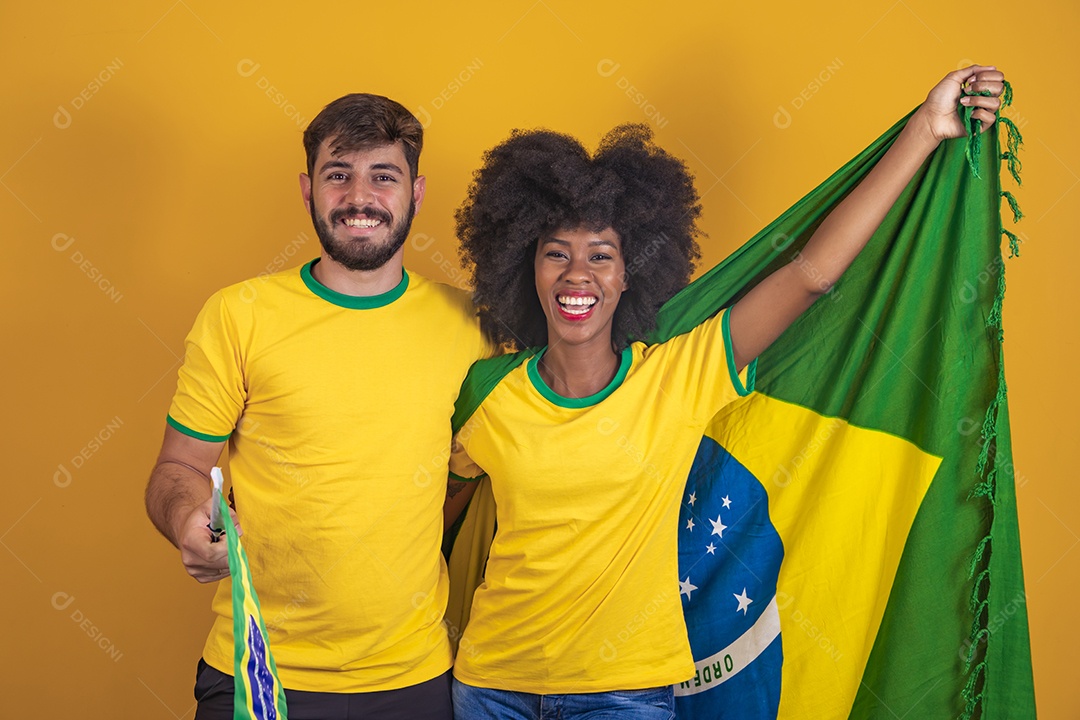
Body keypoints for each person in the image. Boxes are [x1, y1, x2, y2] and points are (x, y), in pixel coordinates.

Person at [443, 66, 1004, 718]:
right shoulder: (488, 390)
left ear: (631, 274)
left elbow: (812, 275)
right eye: (555, 253)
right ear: (525, 266)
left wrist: (925, 129)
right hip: (490, 689)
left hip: (624, 696)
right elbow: (433, 508)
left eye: (601, 255)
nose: (577, 274)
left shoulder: (681, 373)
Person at [144, 93, 489, 720]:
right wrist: (187, 521)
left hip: (414, 677)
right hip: (255, 669)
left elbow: (477, 473)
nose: (360, 197)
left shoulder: (470, 325)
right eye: (339, 175)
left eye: (383, 176)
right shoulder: (238, 316)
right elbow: (178, 468)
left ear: (417, 192)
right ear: (308, 189)